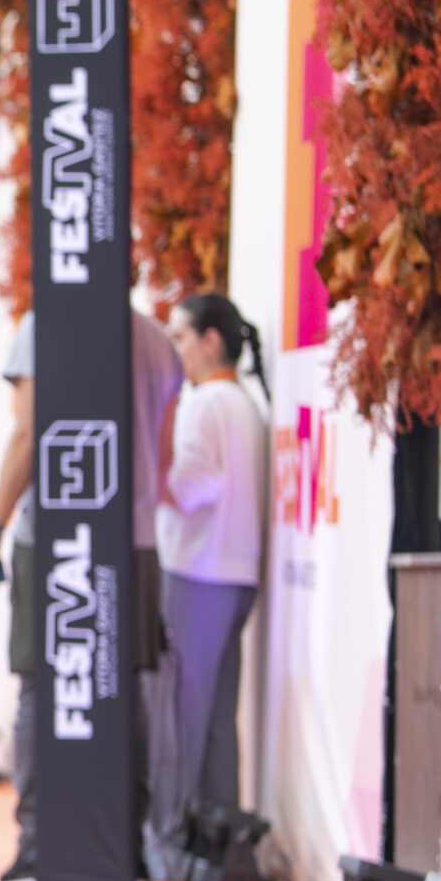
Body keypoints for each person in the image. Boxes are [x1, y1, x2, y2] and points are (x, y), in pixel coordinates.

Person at [0, 305, 183, 881]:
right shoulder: (159, 342)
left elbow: (28, 434)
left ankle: (38, 843)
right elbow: (164, 456)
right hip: (134, 538)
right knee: (125, 685)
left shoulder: (47, 323)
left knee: (41, 683)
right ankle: (126, 846)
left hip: (55, 536)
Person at [157, 293, 269, 848]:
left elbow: (194, 486)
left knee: (183, 714)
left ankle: (171, 836)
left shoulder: (205, 404)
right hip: (235, 573)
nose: (173, 349)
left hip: (198, 572)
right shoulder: (245, 404)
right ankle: (216, 836)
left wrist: (154, 473)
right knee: (217, 715)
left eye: (180, 337)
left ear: (211, 341)